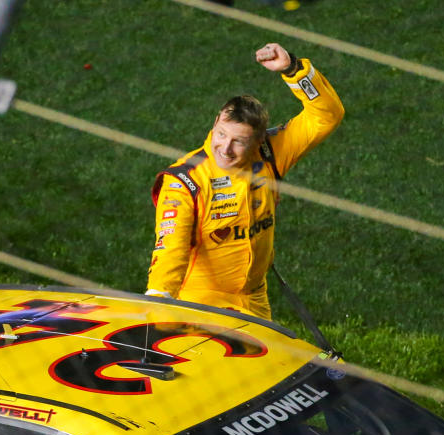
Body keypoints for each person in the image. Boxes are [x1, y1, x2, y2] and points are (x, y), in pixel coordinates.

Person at [145, 43, 344, 320]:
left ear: (258, 140)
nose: (225, 148)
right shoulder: (186, 180)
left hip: (255, 299)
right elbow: (171, 247)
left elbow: (327, 116)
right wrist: (159, 295)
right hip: (201, 303)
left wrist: (294, 70)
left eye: (239, 141)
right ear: (215, 123)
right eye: (221, 134)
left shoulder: (272, 151)